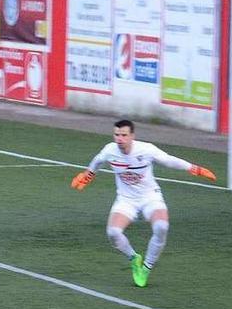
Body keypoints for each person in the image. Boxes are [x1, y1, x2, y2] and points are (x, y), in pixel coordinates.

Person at [70, 119, 217, 287]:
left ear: (132, 136)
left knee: (162, 227)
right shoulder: (109, 150)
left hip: (150, 197)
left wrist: (194, 169)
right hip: (126, 200)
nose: (120, 139)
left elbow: (168, 160)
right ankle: (134, 258)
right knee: (113, 233)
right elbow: (97, 161)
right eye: (116, 135)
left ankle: (146, 267)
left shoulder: (146, 149)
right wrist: (88, 175)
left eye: (124, 135)